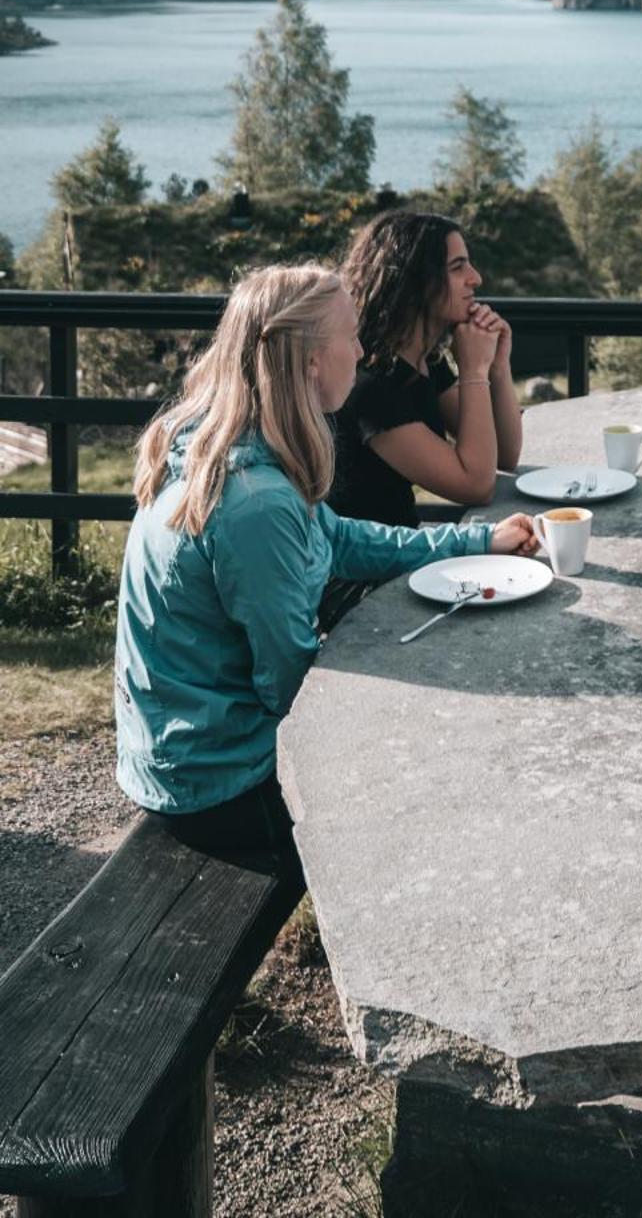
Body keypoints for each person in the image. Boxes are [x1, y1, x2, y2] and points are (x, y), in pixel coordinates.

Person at [115, 264, 539, 884]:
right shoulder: (254, 504)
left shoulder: (236, 444)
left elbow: (337, 539)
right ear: (312, 361)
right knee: (438, 804)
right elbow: (286, 682)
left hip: (183, 752)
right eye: (350, 336)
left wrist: (476, 541)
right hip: (218, 782)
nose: (362, 350)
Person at [332, 210, 524, 529]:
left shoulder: (424, 360)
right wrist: (473, 371)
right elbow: (476, 486)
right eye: (457, 267)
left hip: (403, 549)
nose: (475, 278)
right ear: (415, 281)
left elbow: (505, 455)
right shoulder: (371, 383)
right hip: (370, 572)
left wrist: (497, 368)